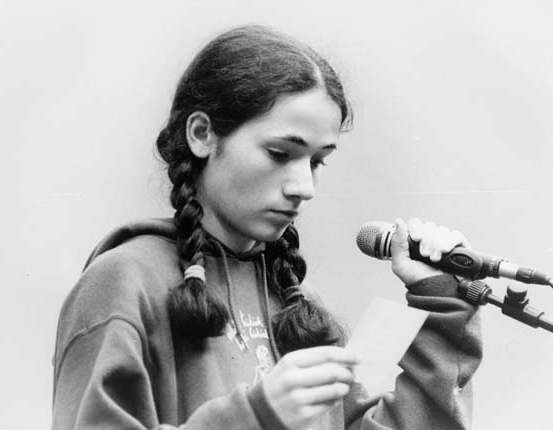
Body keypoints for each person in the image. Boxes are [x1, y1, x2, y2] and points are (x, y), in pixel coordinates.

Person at [51, 25, 482, 430]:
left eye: (317, 161)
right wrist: (255, 415)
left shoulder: (297, 304)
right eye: (280, 153)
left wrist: (440, 301)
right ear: (201, 134)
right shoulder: (122, 282)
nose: (304, 187)